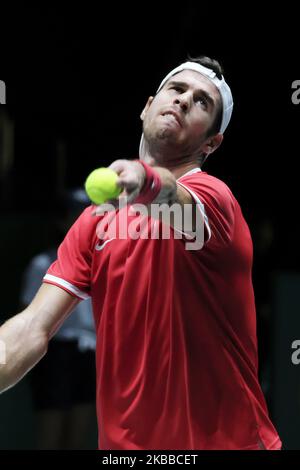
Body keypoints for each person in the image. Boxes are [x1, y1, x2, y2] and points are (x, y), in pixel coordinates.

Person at [0, 56, 282, 450]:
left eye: (202, 102)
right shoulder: (94, 223)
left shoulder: (216, 203)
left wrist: (147, 182)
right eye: (177, 90)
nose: (184, 101)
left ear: (210, 144)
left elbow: (178, 201)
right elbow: (32, 328)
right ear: (148, 106)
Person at [19, 189, 97, 449]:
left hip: (91, 353)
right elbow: (28, 322)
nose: (83, 221)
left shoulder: (106, 263)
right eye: (75, 214)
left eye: (89, 214)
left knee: (78, 436)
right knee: (50, 438)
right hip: (54, 356)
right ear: (62, 221)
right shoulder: (42, 263)